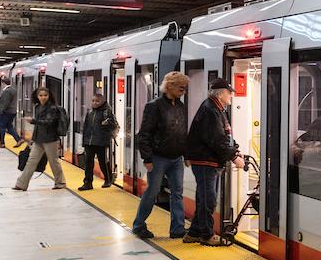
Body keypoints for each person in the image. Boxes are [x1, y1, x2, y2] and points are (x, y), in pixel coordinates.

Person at [184, 78, 243, 246]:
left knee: (204, 198)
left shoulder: (216, 108)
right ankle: (206, 235)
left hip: (209, 161)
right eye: (229, 92)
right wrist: (233, 157)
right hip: (205, 161)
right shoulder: (210, 110)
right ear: (220, 94)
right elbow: (216, 139)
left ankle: (194, 233)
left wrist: (235, 149)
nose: (231, 95)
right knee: (208, 199)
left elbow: (225, 136)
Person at [131, 71, 189, 240]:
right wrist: (147, 158)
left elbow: (182, 132)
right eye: (181, 88)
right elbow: (144, 134)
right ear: (169, 86)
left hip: (176, 157)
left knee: (177, 192)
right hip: (158, 157)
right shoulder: (154, 106)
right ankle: (139, 224)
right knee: (153, 191)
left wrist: (186, 154)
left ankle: (177, 228)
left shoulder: (180, 106)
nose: (183, 91)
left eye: (184, 88)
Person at [12, 87, 67, 191]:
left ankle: (60, 182)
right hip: (39, 139)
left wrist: (33, 121)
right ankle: (21, 184)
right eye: (40, 95)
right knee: (31, 161)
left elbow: (49, 122)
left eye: (45, 95)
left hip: (50, 139)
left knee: (53, 161)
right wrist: (32, 139)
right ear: (37, 96)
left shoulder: (52, 108)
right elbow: (38, 126)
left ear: (49, 96)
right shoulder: (37, 107)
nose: (43, 97)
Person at [78, 93, 118, 191]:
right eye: (93, 101)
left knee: (102, 161)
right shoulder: (90, 112)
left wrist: (108, 123)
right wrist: (85, 141)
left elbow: (114, 125)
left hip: (101, 142)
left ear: (102, 102)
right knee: (88, 162)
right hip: (89, 142)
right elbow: (86, 127)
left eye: (97, 101)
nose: (94, 103)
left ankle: (108, 179)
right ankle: (87, 183)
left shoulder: (107, 112)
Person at [0, 76, 21, 147]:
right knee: (9, 127)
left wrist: (0, 110)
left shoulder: (7, 91)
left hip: (6, 112)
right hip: (12, 111)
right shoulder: (13, 89)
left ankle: (2, 143)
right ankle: (18, 140)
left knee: (2, 127)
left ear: (3, 83)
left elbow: (5, 102)